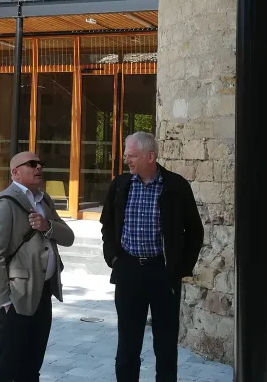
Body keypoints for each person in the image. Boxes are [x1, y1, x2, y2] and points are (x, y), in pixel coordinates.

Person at [100, 132, 204, 382]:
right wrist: (114, 259)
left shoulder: (176, 186)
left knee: (166, 344)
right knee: (127, 343)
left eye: (132, 155)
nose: (127, 160)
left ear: (150, 156)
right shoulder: (120, 185)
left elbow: (195, 230)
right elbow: (107, 225)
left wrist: (179, 268)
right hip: (129, 271)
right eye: (126, 155)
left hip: (162, 273)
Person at [0, 150, 74, 382]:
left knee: (32, 364)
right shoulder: (5, 204)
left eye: (40, 163)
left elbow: (69, 237)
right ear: (15, 172)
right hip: (16, 297)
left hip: (43, 293)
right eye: (31, 164)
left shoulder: (45, 201)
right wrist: (4, 301)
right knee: (5, 364)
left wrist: (47, 226)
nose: (38, 168)